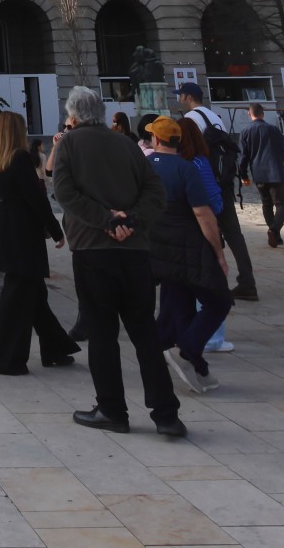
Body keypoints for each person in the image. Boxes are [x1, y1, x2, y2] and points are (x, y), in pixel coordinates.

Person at [49, 85, 184, 439]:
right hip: (134, 250)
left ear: (73, 116)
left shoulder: (69, 145)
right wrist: (131, 221)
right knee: (144, 332)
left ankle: (112, 409)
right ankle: (166, 414)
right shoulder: (127, 144)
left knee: (103, 333)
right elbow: (156, 192)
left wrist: (107, 220)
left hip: (93, 250)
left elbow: (64, 193)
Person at [0, 110, 79, 376]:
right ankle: (4, 358)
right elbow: (36, 199)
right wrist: (56, 231)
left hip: (4, 231)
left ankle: (56, 347)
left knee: (34, 296)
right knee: (17, 297)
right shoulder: (19, 158)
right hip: (23, 235)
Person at [139, 116, 230, 394]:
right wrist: (219, 253)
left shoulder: (143, 166)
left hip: (157, 247)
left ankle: (188, 364)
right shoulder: (185, 168)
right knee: (219, 301)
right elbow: (203, 214)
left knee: (176, 304)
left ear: (155, 139)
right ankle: (188, 351)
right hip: (188, 248)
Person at [175, 81, 256, 302]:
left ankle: (210, 282)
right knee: (233, 233)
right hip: (225, 181)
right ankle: (247, 281)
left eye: (181, 95)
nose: (179, 99)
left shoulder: (191, 119)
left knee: (205, 230)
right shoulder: (214, 117)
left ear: (188, 97)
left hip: (205, 181)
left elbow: (191, 150)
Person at [238, 103, 284, 247]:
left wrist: (243, 175)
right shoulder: (274, 129)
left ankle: (274, 233)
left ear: (249, 114)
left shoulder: (246, 131)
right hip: (276, 171)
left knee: (266, 204)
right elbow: (283, 149)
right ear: (263, 114)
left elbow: (243, 157)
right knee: (281, 204)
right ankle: (274, 231)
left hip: (258, 173)